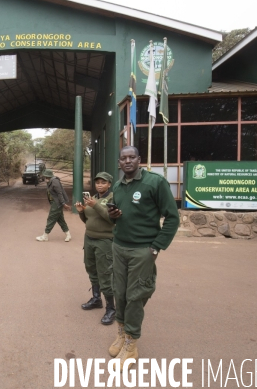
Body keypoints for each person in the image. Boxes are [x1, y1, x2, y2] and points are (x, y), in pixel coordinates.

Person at [107, 146, 179, 366]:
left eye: (132, 157)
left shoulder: (155, 183)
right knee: (119, 292)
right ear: (119, 162)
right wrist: (113, 215)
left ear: (139, 160)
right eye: (123, 158)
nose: (127, 161)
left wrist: (156, 247)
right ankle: (121, 333)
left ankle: (131, 344)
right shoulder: (117, 186)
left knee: (135, 296)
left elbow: (172, 218)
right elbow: (117, 217)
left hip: (143, 250)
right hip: (119, 247)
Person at [75, 171, 116, 325]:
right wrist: (81, 212)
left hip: (105, 241)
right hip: (89, 239)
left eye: (103, 182)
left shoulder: (112, 198)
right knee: (91, 269)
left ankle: (111, 308)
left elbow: (111, 219)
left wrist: (95, 205)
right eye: (97, 182)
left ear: (109, 184)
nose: (99, 185)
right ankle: (96, 299)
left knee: (105, 274)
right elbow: (88, 220)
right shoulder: (92, 199)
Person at [36, 169, 72, 242]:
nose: (44, 178)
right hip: (55, 202)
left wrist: (63, 204)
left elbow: (60, 193)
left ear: (48, 176)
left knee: (51, 218)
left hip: (57, 203)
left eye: (45, 176)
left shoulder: (55, 181)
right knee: (60, 219)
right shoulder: (50, 182)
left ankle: (45, 236)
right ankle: (68, 234)